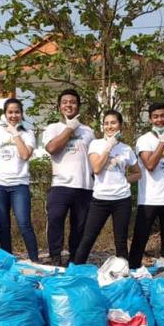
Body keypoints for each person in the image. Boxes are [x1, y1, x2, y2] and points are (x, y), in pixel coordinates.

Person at [74, 110, 141, 264]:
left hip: (122, 199)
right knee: (88, 238)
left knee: (121, 241)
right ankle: (75, 272)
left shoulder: (126, 149)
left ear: (120, 125)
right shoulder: (96, 144)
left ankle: (124, 275)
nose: (109, 126)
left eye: (113, 123)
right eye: (106, 123)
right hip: (100, 199)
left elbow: (138, 173)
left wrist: (125, 180)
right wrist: (109, 146)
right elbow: (96, 168)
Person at [42, 88, 95, 265]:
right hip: (60, 184)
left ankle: (75, 259)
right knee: (56, 219)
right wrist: (69, 129)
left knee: (79, 226)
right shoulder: (53, 128)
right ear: (59, 107)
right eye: (65, 102)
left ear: (78, 106)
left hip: (85, 185)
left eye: (72, 102)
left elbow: (94, 157)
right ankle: (55, 257)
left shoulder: (88, 131)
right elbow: (51, 148)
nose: (69, 105)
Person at [128, 102, 164, 269]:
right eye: (156, 117)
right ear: (150, 119)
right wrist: (162, 142)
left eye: (163, 116)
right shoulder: (144, 140)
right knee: (140, 238)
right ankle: (133, 270)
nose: (160, 120)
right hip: (149, 198)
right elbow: (149, 165)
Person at [0, 98, 40, 262]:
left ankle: (34, 260)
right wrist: (2, 173)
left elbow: (25, 155)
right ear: (5, 114)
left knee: (24, 224)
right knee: (3, 225)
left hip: (19, 186)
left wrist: (16, 133)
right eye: (10, 112)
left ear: (22, 114)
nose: (13, 115)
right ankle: (7, 260)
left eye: (17, 112)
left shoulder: (28, 133)